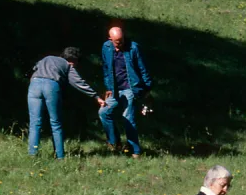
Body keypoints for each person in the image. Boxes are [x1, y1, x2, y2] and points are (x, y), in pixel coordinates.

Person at [26, 47, 104, 159]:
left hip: (34, 85)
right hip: (51, 86)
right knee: (55, 123)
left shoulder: (46, 58)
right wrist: (96, 97)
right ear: (74, 60)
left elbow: (34, 69)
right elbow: (79, 83)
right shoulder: (68, 65)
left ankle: (32, 155)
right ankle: (60, 156)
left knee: (35, 123)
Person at [99, 25, 153, 159]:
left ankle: (135, 151)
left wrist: (147, 89)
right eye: (116, 42)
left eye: (121, 40)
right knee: (104, 112)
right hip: (114, 89)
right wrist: (108, 87)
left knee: (128, 118)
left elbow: (142, 68)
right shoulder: (106, 48)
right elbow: (106, 69)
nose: (119, 44)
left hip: (130, 87)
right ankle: (114, 142)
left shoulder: (133, 47)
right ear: (110, 39)